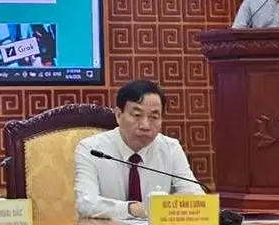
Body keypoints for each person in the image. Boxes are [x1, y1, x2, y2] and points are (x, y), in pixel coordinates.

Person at [74, 80, 203, 220]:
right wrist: (133, 209)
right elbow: (86, 203)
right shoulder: (91, 149)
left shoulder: (171, 148)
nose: (145, 125)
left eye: (154, 117)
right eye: (137, 115)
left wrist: (169, 206)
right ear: (118, 115)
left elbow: (196, 198)